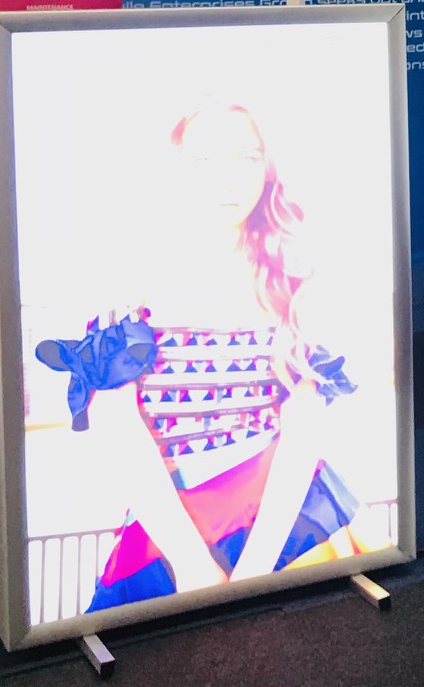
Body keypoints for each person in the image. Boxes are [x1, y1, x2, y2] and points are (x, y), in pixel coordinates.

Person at [34, 104, 369, 610]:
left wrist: (256, 570)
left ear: (267, 166)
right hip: (170, 537)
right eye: (205, 160)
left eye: (246, 158)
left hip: (288, 523)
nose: (227, 179)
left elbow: (303, 424)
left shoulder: (293, 276)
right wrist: (193, 564)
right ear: (176, 167)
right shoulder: (129, 277)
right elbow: (116, 425)